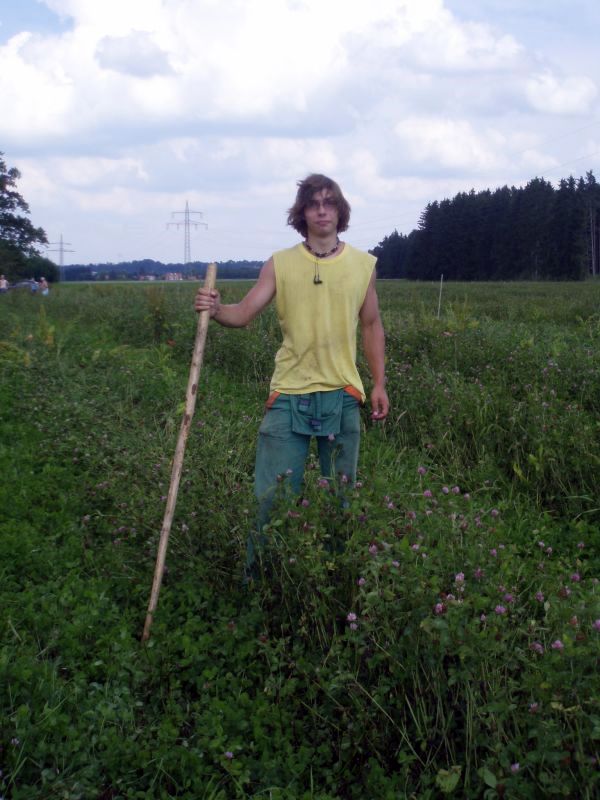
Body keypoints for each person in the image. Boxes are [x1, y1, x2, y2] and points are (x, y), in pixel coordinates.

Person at [195, 174, 389, 570]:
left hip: (342, 395)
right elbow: (243, 313)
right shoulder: (279, 264)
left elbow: (371, 325)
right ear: (302, 213)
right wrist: (216, 310)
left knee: (341, 502)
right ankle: (261, 583)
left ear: (340, 211)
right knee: (272, 501)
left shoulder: (362, 265)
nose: (322, 210)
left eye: (329, 203)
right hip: (288, 395)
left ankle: (335, 583)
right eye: (313, 204)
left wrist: (379, 383)